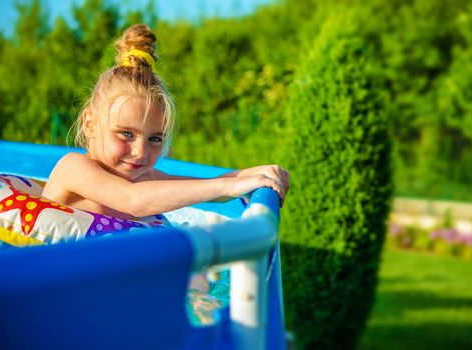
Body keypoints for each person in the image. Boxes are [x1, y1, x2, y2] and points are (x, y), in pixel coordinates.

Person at [42, 24, 289, 289]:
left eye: (155, 139)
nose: (140, 152)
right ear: (89, 124)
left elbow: (203, 189)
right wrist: (231, 184)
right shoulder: (73, 168)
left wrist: (249, 174)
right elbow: (133, 202)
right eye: (125, 133)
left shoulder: (143, 178)